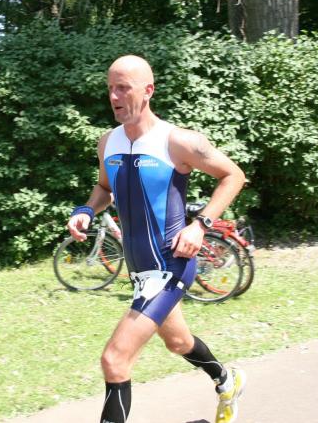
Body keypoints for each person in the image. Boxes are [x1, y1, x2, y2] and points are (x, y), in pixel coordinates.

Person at [66, 55, 247, 423]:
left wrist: (200, 225)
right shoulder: (108, 143)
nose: (114, 96)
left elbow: (233, 176)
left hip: (170, 265)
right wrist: (86, 210)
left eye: (123, 88)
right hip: (139, 271)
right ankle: (227, 380)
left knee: (115, 360)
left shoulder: (177, 141)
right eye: (110, 88)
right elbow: (104, 188)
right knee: (178, 342)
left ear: (148, 90)